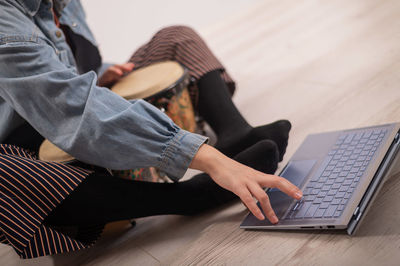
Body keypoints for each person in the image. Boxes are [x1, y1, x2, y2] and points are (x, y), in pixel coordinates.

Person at [0, 0, 302, 259]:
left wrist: (102, 73)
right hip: (22, 143)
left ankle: (235, 134)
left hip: (71, 99)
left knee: (175, 37)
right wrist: (206, 158)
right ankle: (186, 197)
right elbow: (69, 106)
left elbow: (62, 66)